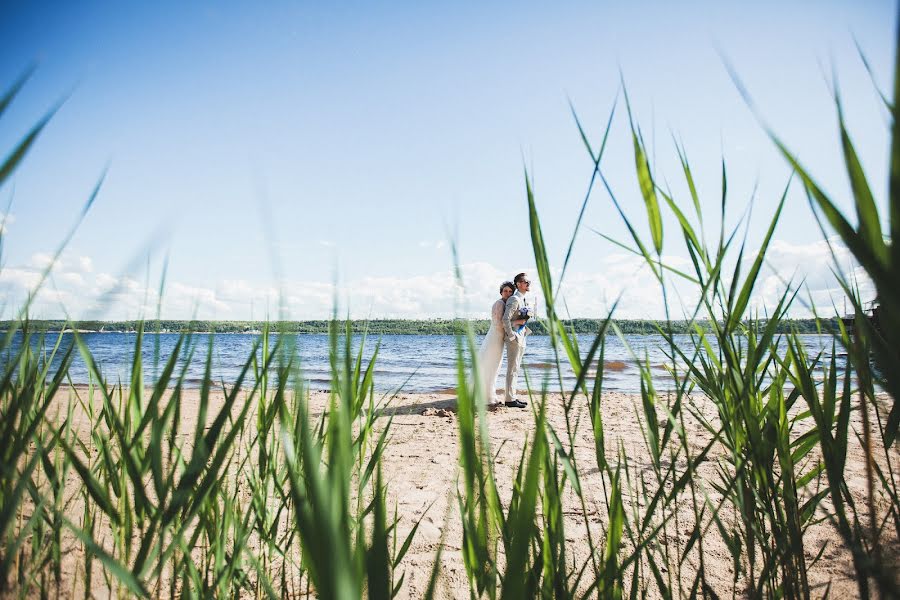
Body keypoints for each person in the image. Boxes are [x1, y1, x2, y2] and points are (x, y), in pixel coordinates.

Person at [476, 281, 524, 408]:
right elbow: (499, 323)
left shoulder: (506, 303)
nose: (507, 293)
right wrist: (518, 322)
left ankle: (489, 394)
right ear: (501, 292)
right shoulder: (499, 303)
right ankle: (485, 396)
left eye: (510, 291)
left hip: (500, 339)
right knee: (490, 365)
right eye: (505, 291)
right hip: (495, 339)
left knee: (495, 367)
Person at [503, 273, 533, 408]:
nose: (528, 284)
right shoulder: (514, 299)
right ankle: (509, 399)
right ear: (518, 284)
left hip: (522, 336)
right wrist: (511, 336)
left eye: (529, 282)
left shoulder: (523, 299)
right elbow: (505, 319)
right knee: (512, 368)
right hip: (514, 338)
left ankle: (513, 396)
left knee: (516, 368)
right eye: (526, 282)